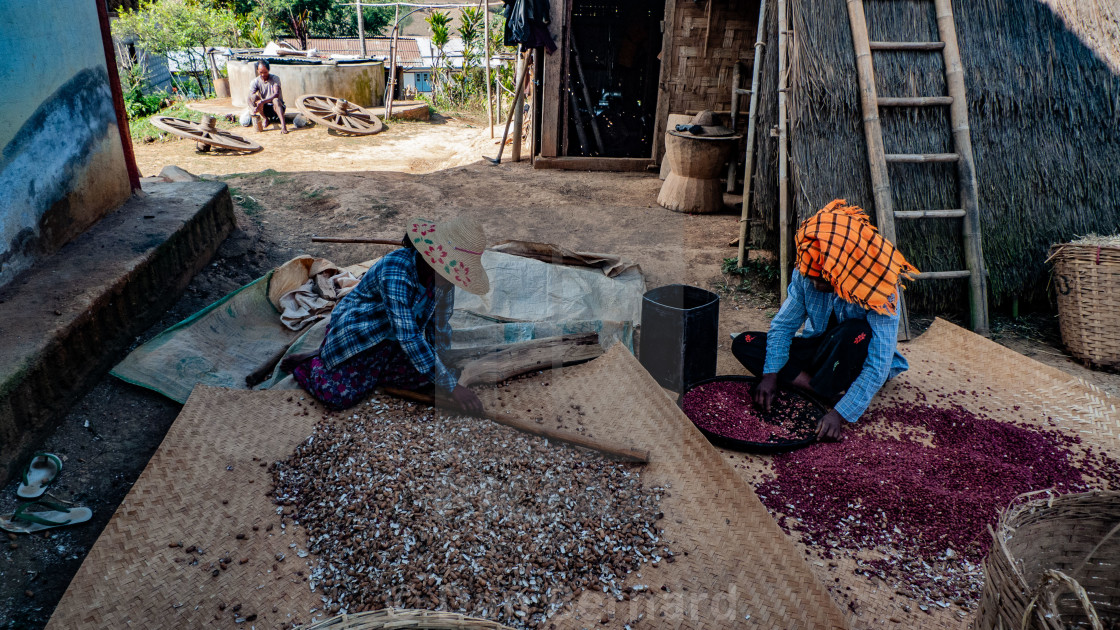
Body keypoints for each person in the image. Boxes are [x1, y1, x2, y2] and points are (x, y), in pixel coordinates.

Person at [732, 200, 918, 441]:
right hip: (819, 350)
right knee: (745, 343)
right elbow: (782, 327)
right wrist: (770, 374)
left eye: (822, 279)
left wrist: (840, 414)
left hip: (852, 359)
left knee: (855, 332)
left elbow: (878, 364)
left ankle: (818, 388)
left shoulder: (881, 287)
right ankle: (823, 391)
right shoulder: (807, 269)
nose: (815, 284)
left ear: (844, 270)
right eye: (810, 277)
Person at [281, 217, 488, 413]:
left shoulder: (443, 282)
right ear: (432, 258)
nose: (453, 279)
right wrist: (452, 387)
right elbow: (408, 336)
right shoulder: (396, 271)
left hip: (391, 341)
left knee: (427, 378)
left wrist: (445, 372)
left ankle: (349, 366)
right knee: (338, 396)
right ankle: (312, 363)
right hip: (360, 331)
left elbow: (439, 327)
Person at [247, 60, 288, 134]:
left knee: (275, 100)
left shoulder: (275, 78)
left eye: (265, 72)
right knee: (253, 97)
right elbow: (249, 97)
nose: (263, 74)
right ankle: (265, 119)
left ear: (269, 70)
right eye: (260, 72)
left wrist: (263, 101)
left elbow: (276, 94)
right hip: (265, 109)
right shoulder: (255, 81)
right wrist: (252, 108)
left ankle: (283, 126)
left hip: (277, 108)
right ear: (257, 71)